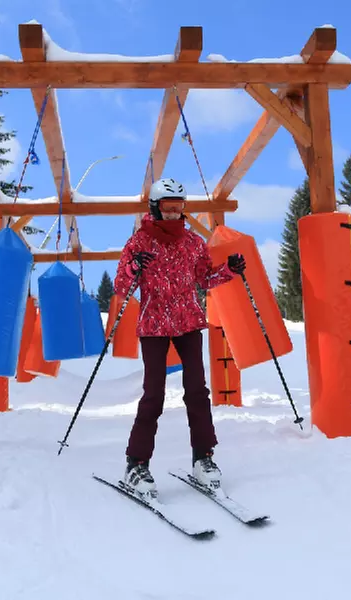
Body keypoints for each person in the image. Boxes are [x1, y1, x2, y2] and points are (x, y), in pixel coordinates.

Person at [113, 177, 246, 499]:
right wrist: (133, 268)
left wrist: (229, 270)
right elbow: (121, 286)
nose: (174, 214)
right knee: (153, 395)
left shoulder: (193, 242)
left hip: (187, 323)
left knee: (197, 392)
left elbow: (204, 279)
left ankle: (204, 458)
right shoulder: (139, 242)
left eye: (179, 208)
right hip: (154, 325)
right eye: (168, 209)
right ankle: (136, 463)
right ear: (155, 208)